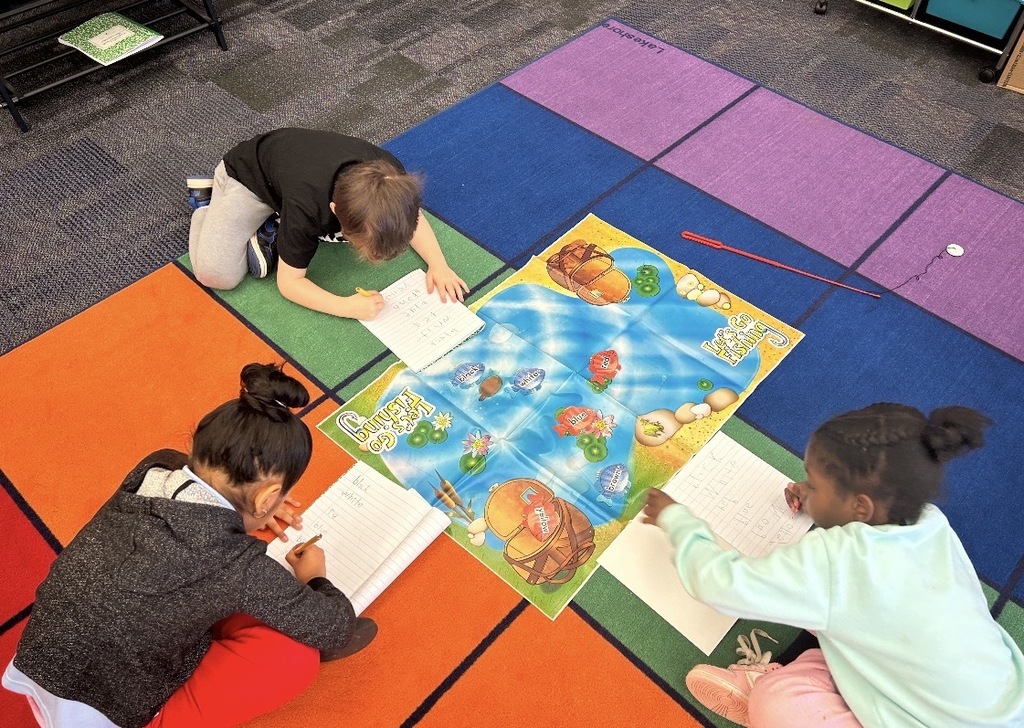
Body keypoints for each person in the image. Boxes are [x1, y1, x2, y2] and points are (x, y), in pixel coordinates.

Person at [2, 363, 377, 728]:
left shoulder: (155, 466)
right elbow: (335, 628)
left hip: (40, 660)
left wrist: (249, 509)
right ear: (268, 498)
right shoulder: (234, 564)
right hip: (105, 712)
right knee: (295, 657)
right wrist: (314, 580)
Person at [642, 403, 1024, 727]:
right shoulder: (927, 520)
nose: (804, 488)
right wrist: (819, 499)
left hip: (927, 719)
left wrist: (678, 521)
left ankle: (765, 688)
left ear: (860, 506)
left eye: (813, 483)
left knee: (776, 704)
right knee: (841, 630)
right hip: (1004, 696)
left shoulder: (834, 562)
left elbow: (719, 584)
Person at [186, 127, 469, 321]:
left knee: (295, 233)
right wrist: (345, 306)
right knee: (216, 275)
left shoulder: (392, 178)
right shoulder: (307, 207)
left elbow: (413, 219)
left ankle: (271, 230)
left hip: (292, 177)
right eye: (357, 242)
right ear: (334, 211)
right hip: (249, 178)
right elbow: (290, 283)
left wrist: (438, 264)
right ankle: (208, 206)